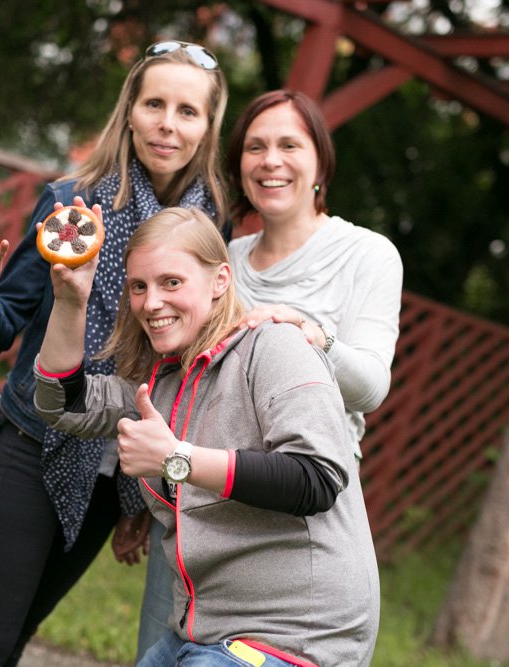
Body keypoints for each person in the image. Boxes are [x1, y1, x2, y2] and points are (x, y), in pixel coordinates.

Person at [0, 40, 228, 666]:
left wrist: (146, 491)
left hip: (114, 473)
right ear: (130, 111)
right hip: (33, 444)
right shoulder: (74, 202)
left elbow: (188, 361)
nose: (167, 125)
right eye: (154, 104)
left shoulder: (212, 229)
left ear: (207, 127)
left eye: (187, 111)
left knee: (8, 645)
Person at [34, 207, 381, 667]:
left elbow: (315, 477)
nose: (151, 303)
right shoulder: (163, 383)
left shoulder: (276, 346)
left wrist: (176, 458)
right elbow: (62, 403)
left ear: (220, 280)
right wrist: (70, 300)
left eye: (171, 282)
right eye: (139, 287)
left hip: (296, 635)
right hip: (207, 630)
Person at [136, 89, 404, 661]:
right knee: (167, 643)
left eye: (289, 145)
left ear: (321, 162)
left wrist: (315, 337)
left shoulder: (367, 253)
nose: (270, 161)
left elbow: (372, 388)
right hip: (192, 486)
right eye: (255, 147)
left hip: (291, 503)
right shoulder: (225, 258)